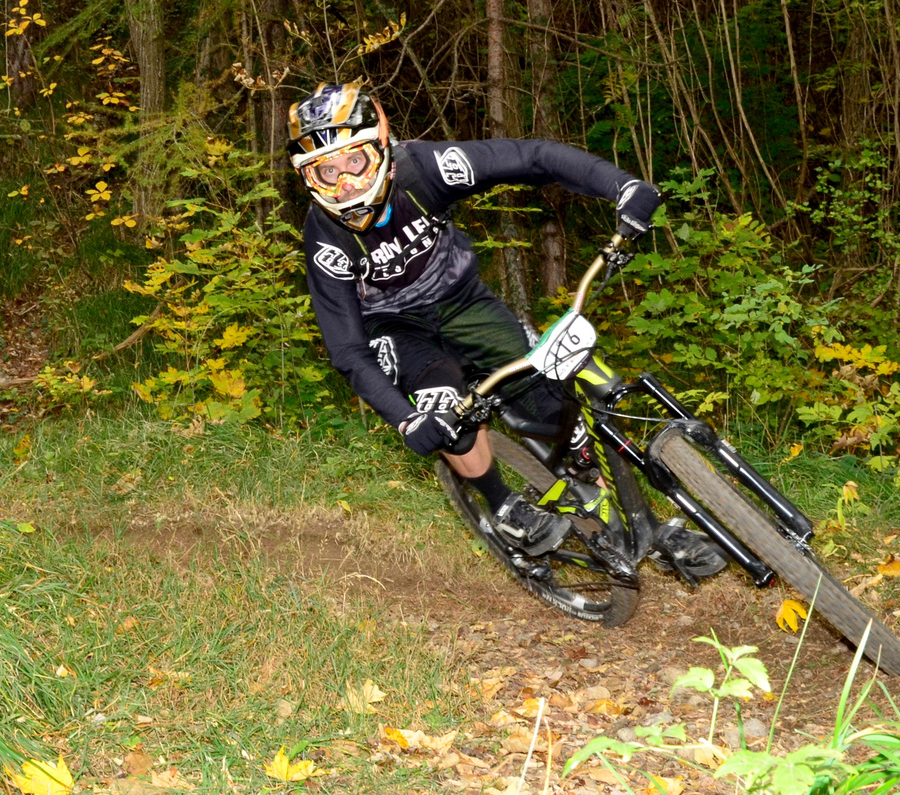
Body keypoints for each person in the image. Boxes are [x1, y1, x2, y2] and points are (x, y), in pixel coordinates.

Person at [290, 81, 719, 573]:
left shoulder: (425, 168)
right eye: (327, 170)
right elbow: (346, 349)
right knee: (443, 408)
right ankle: (499, 505)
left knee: (554, 403)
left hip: (461, 299)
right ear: (309, 177)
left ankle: (626, 525)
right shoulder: (325, 240)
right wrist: (406, 420)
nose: (344, 183)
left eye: (355, 161)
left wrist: (622, 187)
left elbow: (533, 157)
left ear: (381, 146)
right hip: (392, 325)